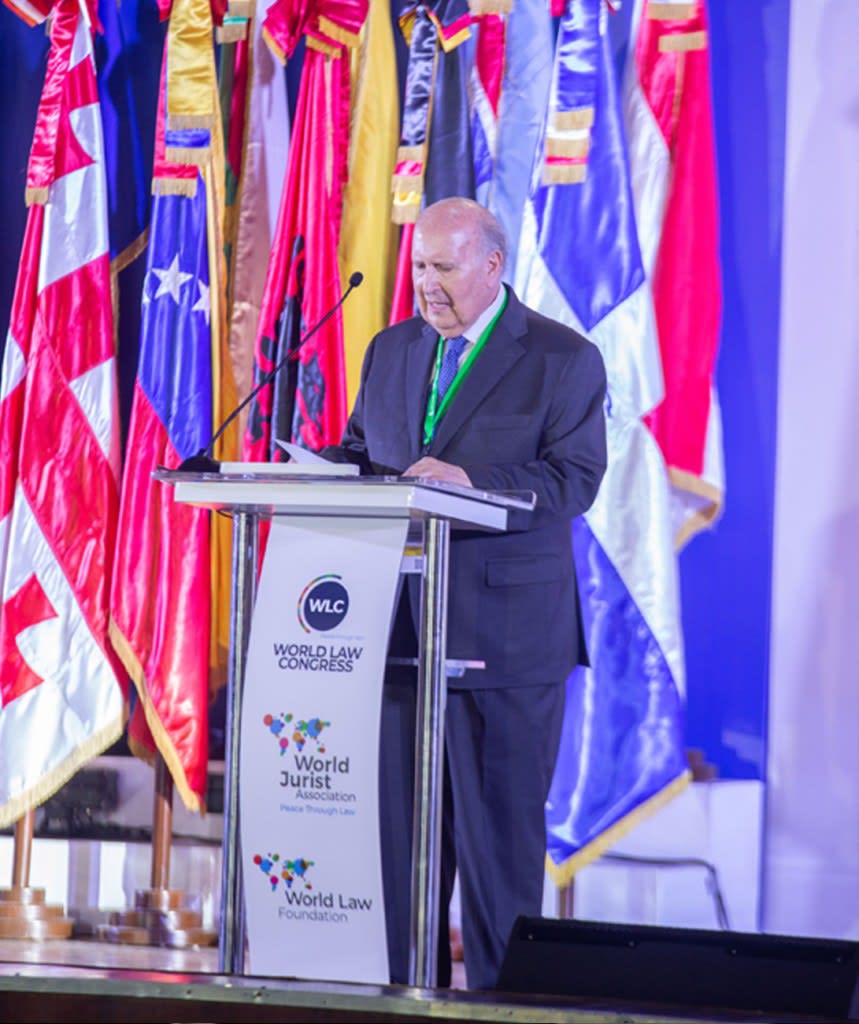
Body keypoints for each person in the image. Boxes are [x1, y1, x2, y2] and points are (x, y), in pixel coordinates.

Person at [326, 197, 607, 989]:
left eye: (441, 268)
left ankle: (502, 1004)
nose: (424, 284)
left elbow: (573, 479)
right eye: (417, 266)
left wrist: (470, 480)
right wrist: (311, 469)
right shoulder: (390, 350)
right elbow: (363, 453)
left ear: (491, 265)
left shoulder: (561, 358)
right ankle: (399, 1000)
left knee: (496, 856)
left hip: (504, 644)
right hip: (397, 640)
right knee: (401, 854)